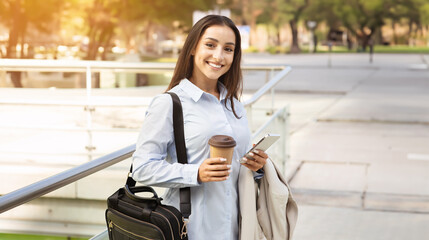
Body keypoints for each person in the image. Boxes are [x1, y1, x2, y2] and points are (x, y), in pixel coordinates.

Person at [131, 15, 269, 240]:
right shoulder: (169, 103)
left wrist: (256, 166)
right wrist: (196, 172)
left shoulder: (234, 105)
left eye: (228, 49)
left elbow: (238, 166)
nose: (218, 56)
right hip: (192, 229)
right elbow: (142, 167)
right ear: (193, 47)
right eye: (210, 45)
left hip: (237, 227)